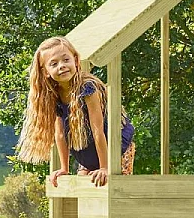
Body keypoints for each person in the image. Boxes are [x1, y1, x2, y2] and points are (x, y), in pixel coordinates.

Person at [16, 36, 135, 187]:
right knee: (83, 194)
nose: (62, 66)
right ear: (45, 71)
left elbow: (97, 130)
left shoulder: (88, 88)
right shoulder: (53, 94)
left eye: (66, 60)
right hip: (88, 153)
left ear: (76, 61)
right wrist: (64, 168)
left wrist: (105, 167)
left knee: (112, 190)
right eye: (54, 63)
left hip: (115, 149)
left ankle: (104, 168)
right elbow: (60, 134)